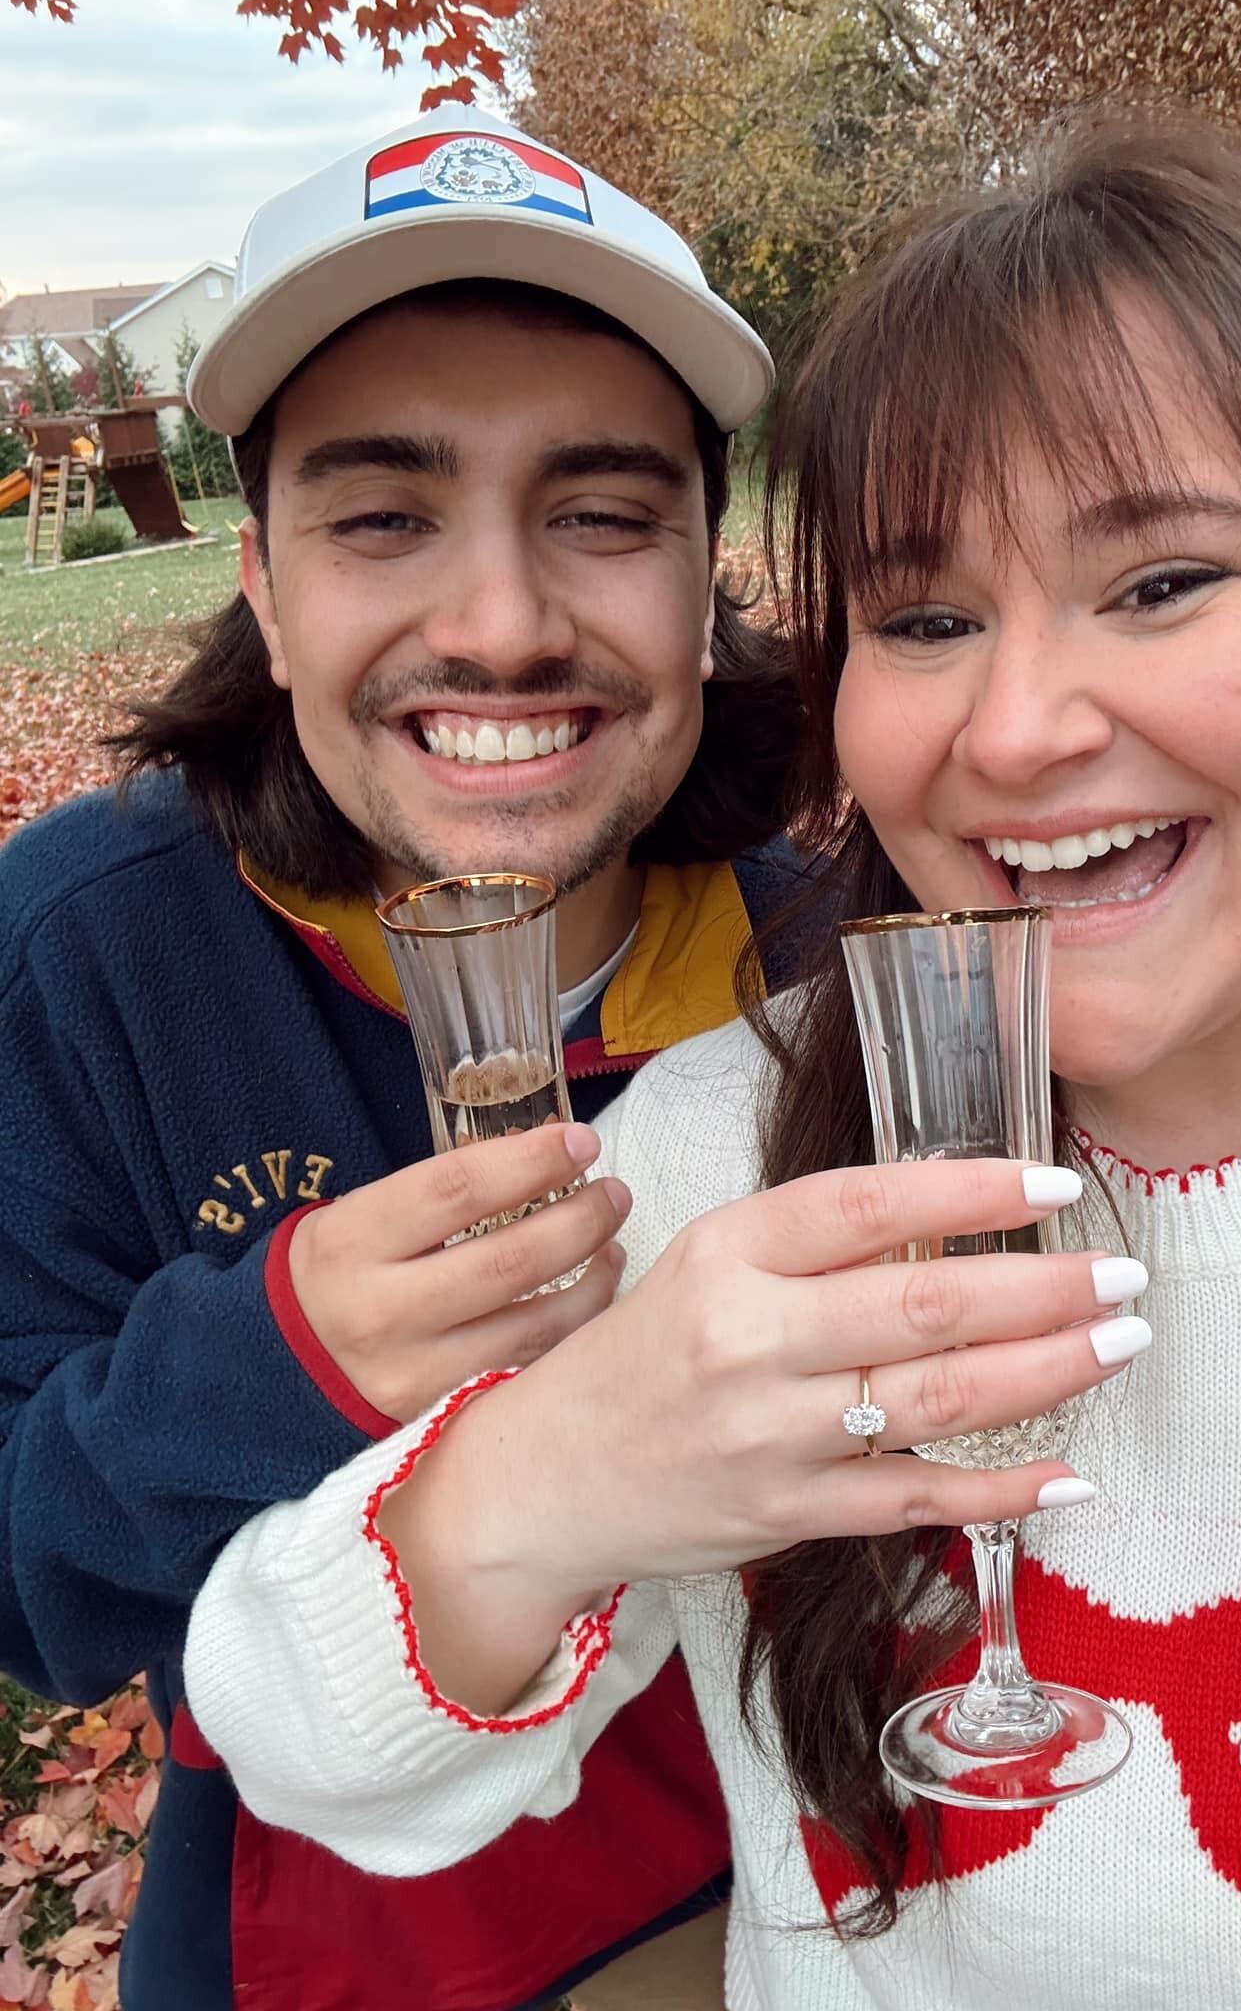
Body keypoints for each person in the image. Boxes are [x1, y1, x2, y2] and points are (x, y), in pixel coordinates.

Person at [184, 109, 1241, 2004]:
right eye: (926, 617)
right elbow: (297, 1732)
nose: (1021, 726)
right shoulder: (724, 1163)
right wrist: (555, 1473)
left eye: (1163, 580)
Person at [0, 104, 804, 2011]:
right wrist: (278, 1359)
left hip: (817, 1908)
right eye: (382, 517)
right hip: (327, 1958)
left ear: (706, 580)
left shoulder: (843, 963)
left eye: (602, 515)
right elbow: (30, 1583)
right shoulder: (85, 954)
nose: (504, 626)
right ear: (267, 593)